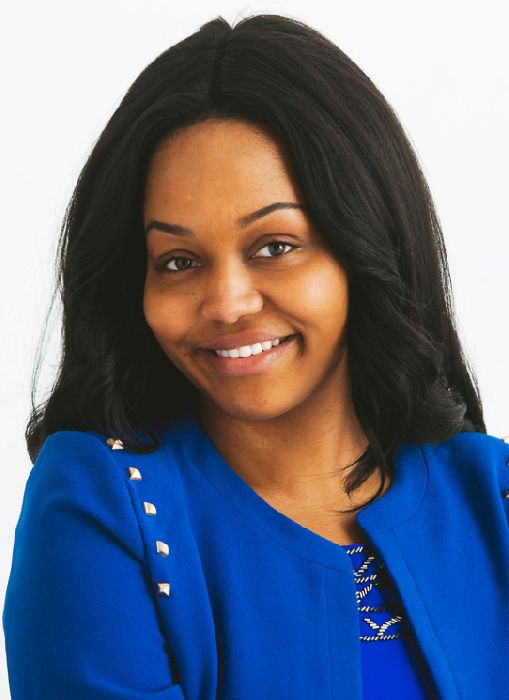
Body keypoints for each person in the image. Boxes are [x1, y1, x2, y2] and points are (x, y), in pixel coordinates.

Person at [2, 13, 509, 700]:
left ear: (367, 248)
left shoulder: (493, 497)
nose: (227, 303)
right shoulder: (103, 506)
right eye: (178, 261)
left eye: (274, 246)